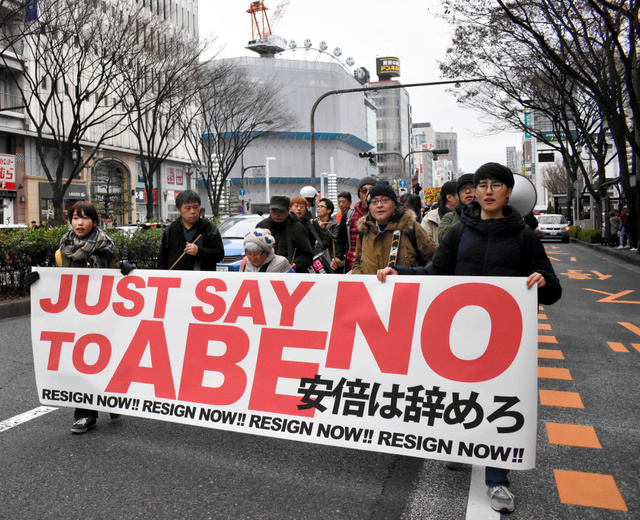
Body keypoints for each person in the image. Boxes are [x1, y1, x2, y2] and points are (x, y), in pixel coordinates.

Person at [378, 162, 562, 514]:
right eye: (482, 184)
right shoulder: (460, 231)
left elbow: (552, 289)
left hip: (505, 340)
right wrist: (398, 273)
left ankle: (497, 481)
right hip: (459, 333)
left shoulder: (525, 235)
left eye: (496, 184)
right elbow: (435, 273)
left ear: (509, 192)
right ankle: (461, 448)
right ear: (474, 192)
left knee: (500, 402)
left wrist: (542, 281)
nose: (488, 190)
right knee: (458, 393)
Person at [24, 201, 134, 434]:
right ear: (70, 221)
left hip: (105, 316)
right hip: (75, 318)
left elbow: (118, 283)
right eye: (75, 218)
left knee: (106, 360)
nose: (80, 222)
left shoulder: (108, 249)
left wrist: (127, 271)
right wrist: (34, 283)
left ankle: (111, 399)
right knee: (81, 363)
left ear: (94, 221)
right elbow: (56, 284)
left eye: (85, 218)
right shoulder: (63, 250)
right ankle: (85, 415)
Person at [352, 181, 436, 274]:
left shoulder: (410, 227)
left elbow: (433, 258)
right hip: (370, 288)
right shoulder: (365, 229)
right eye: (374, 202)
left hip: (405, 288)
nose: (379, 205)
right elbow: (357, 262)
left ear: (395, 205)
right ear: (369, 207)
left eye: (385, 200)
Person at [157, 190, 224, 270]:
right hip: (178, 280)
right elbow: (162, 260)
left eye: (195, 207)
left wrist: (199, 251)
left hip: (202, 280)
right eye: (188, 208)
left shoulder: (209, 229)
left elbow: (219, 255)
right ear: (179, 210)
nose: (192, 212)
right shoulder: (170, 230)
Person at [255, 195, 313, 273]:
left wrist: (296, 264)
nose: (277, 215)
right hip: (265, 273)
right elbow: (252, 250)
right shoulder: (261, 227)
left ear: (288, 210)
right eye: (274, 211)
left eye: (281, 211)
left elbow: (307, 255)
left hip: (289, 274)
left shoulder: (297, 228)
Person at [332, 176, 377, 273]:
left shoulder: (382, 216)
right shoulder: (349, 215)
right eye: (364, 191)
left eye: (371, 190)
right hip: (352, 269)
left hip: (377, 270)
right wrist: (338, 257)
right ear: (359, 194)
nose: (367, 194)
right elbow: (339, 240)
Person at [438, 173, 475, 241]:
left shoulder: (489, 214)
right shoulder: (449, 217)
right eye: (463, 188)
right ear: (459, 194)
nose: (468, 191)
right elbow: (444, 238)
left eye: (472, 187)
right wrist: (460, 212)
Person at [421, 180, 458, 245]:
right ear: (449, 197)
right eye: (459, 194)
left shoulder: (466, 215)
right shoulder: (430, 218)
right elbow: (424, 245)